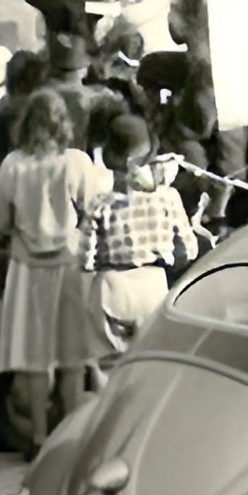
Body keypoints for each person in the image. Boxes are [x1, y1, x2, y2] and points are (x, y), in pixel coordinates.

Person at [0, 90, 109, 451]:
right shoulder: (75, 162)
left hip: (26, 268)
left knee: (34, 359)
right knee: (72, 357)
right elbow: (95, 208)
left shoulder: (13, 164)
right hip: (68, 265)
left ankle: (40, 435)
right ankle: (71, 439)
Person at [80, 115, 197, 356]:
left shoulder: (100, 205)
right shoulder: (168, 198)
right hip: (153, 286)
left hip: (111, 288)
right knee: (151, 361)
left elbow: (84, 260)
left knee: (106, 365)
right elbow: (189, 249)